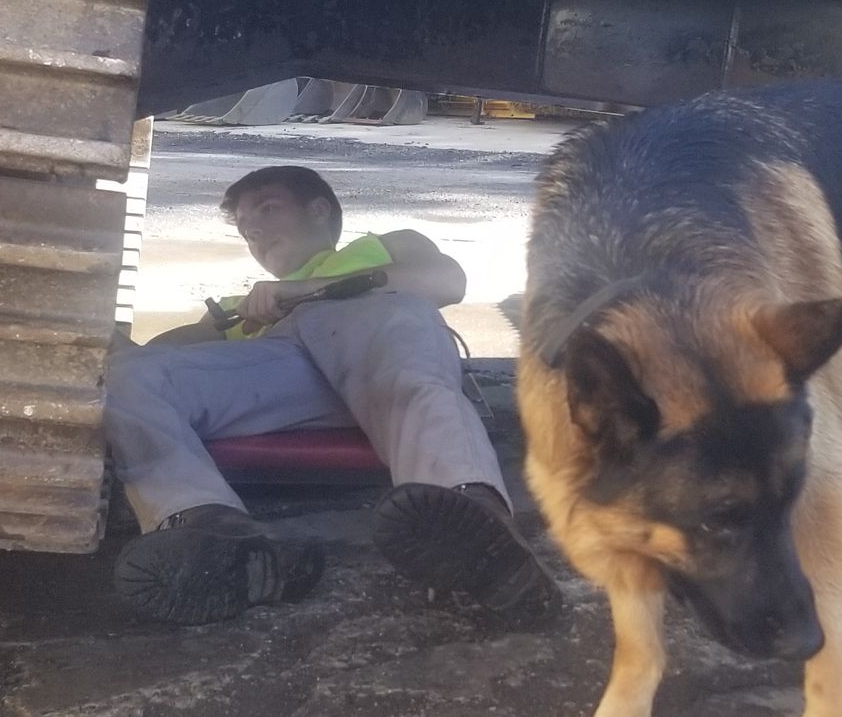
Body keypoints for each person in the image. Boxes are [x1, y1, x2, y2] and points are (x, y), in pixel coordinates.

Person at [108, 163, 561, 627]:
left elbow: (447, 282)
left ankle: (472, 522)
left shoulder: (385, 249)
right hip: (288, 379)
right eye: (246, 228)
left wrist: (309, 292)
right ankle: (210, 531)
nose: (256, 230)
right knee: (127, 376)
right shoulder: (236, 309)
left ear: (320, 210)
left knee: (411, 370)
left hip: (380, 348)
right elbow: (151, 362)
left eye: (267, 209)